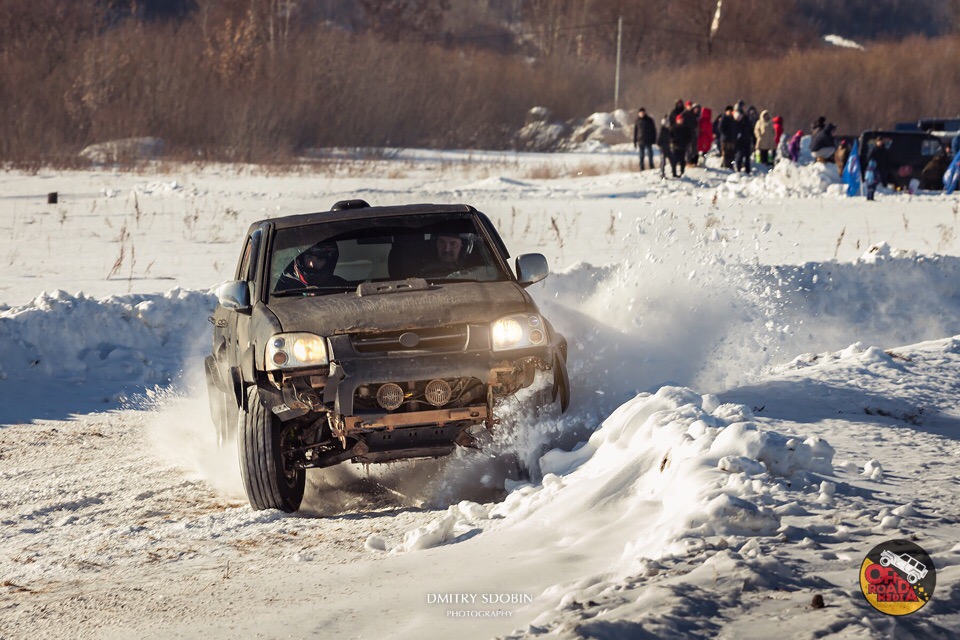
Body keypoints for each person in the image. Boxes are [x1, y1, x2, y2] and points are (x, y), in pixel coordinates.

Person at [276, 240, 348, 291]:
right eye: (309, 257)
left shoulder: (339, 286)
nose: (312, 264)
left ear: (329, 263)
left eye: (319, 259)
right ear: (301, 258)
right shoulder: (283, 285)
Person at [865, 137, 889, 201]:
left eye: (881, 141)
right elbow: (868, 158)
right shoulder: (874, 149)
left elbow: (886, 158)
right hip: (873, 168)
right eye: (879, 141)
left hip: (881, 167)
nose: (880, 143)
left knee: (875, 182)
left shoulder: (884, 149)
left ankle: (871, 195)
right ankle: (869, 196)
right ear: (876, 142)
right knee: (871, 182)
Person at [669, 113, 691, 178]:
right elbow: (670, 136)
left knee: (682, 160)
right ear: (677, 120)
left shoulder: (686, 128)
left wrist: (687, 142)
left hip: (683, 146)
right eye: (679, 120)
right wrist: (672, 141)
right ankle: (674, 173)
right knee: (674, 160)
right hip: (675, 146)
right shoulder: (673, 127)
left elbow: (689, 136)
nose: (680, 121)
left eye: (681, 119)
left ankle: (682, 172)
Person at [733, 108, 754, 174]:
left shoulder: (747, 121)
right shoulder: (736, 122)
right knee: (739, 155)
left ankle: (747, 170)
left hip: (747, 140)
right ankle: (738, 168)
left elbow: (751, 130)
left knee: (747, 156)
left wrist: (753, 139)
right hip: (739, 141)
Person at [719, 105, 737, 169]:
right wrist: (726, 133)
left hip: (732, 139)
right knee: (725, 153)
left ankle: (730, 165)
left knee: (731, 153)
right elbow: (720, 128)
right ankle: (725, 165)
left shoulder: (733, 119)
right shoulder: (724, 118)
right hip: (725, 139)